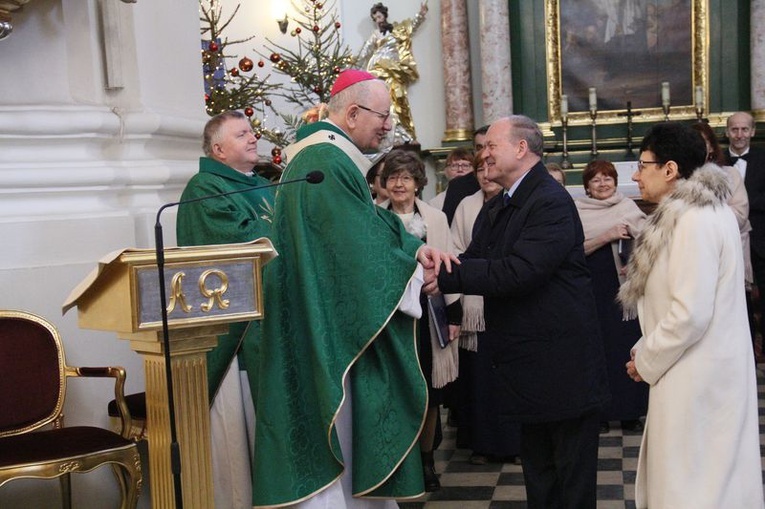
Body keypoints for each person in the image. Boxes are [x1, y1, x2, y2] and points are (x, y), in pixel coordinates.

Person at [250, 69, 454, 508]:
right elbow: (353, 246)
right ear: (354, 112)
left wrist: (412, 250)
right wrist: (412, 270)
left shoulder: (330, 158)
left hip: (323, 315)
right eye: (382, 116)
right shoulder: (324, 160)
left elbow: (364, 225)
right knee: (334, 428)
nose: (388, 126)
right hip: (325, 326)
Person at [437, 115, 610, 509]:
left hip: (562, 368)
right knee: (540, 476)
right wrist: (438, 271)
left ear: (521, 148)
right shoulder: (504, 202)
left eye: (491, 146)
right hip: (530, 368)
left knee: (571, 482)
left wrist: (444, 277)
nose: (484, 155)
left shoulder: (548, 200)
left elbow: (520, 271)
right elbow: (475, 258)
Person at [619, 122, 764, 508]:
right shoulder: (700, 213)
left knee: (694, 487)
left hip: (697, 374)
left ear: (669, 169)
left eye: (642, 164)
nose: (635, 174)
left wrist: (647, 359)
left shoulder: (693, 220)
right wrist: (645, 345)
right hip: (701, 365)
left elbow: (690, 313)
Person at [176, 109, 275, 508]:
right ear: (218, 149)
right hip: (237, 340)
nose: (253, 138)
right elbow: (235, 245)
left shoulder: (264, 187)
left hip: (271, 326)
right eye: (241, 134)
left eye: (252, 131)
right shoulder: (206, 188)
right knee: (238, 445)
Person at [377, 148, 460, 491]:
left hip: (427, 315)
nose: (399, 184)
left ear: (418, 184)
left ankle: (426, 462)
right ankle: (397, 460)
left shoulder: (435, 220)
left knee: (427, 391)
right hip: (389, 316)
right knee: (395, 388)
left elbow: (451, 264)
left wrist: (453, 313)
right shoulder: (373, 217)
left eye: (406, 178)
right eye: (393, 177)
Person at [450, 152, 521, 465]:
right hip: (473, 306)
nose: (485, 174)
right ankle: (482, 442)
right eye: (479, 170)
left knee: (509, 377)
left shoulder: (513, 204)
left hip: (504, 301)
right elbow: (454, 248)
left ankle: (513, 443)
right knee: (478, 380)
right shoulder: (466, 206)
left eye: (489, 167)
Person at [574, 160, 648, 435]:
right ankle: (601, 412)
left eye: (608, 179)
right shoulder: (579, 211)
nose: (603, 184)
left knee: (625, 347)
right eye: (596, 180)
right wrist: (607, 235)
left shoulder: (628, 207)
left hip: (624, 290)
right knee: (598, 350)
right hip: (592, 288)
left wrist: (637, 262)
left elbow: (648, 241)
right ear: (587, 187)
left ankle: (630, 411)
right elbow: (573, 249)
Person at [693, 121, 755, 347]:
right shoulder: (679, 177)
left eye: (704, 142)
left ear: (711, 145)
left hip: (730, 254)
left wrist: (704, 213)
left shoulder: (729, 174)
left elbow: (740, 214)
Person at [357, 2, 428, 144]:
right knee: (382, 103)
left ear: (384, 15)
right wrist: (351, 68)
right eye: (375, 18)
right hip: (378, 70)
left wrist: (421, 14)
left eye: (380, 16)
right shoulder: (375, 35)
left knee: (399, 100)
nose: (378, 20)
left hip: (394, 71)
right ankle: (388, 135)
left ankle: (405, 134)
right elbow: (364, 54)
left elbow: (412, 26)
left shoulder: (397, 30)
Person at [725, 111, 765, 353]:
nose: (739, 135)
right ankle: (744, 354)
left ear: (753, 132)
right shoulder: (717, 163)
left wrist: (746, 202)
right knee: (737, 299)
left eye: (744, 129)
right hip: (730, 239)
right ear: (727, 132)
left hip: (760, 239)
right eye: (734, 130)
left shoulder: (762, 158)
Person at [440, 125, 487, 224]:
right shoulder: (458, 187)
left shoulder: (509, 182)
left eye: (489, 146)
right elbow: (448, 227)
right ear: (474, 152)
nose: (484, 153)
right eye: (479, 148)